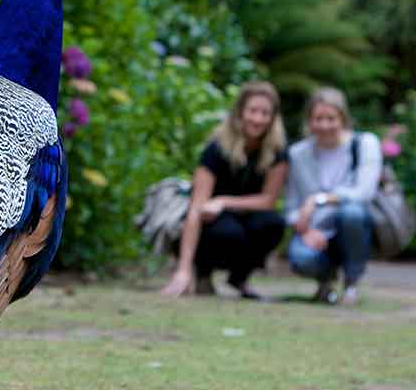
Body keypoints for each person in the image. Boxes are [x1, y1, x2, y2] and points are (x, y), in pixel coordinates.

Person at [160, 82, 288, 299]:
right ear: (240, 112)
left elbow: (268, 200)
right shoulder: (216, 148)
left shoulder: (277, 150)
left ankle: (239, 278)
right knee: (227, 232)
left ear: (273, 118)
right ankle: (201, 272)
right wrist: (182, 270)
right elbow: (195, 209)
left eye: (265, 113)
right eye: (253, 111)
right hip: (212, 222)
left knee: (272, 223)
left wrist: (223, 201)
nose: (258, 119)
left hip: (244, 215)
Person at [284, 87, 382, 305]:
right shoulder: (298, 154)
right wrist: (305, 229)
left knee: (351, 214)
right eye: (318, 119)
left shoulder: (364, 143)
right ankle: (325, 282)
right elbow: (290, 207)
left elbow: (365, 192)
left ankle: (351, 283)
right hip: (317, 229)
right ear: (309, 121)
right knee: (301, 258)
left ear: (343, 119)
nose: (324, 125)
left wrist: (319, 199)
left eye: (331, 118)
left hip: (353, 227)